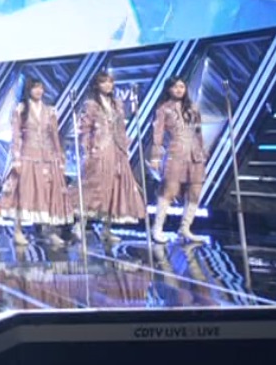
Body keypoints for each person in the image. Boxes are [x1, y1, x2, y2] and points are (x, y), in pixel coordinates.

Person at [0, 78, 73, 246]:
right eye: (35, 88)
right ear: (28, 90)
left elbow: (54, 136)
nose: (39, 91)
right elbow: (16, 135)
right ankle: (18, 231)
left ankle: (49, 231)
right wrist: (16, 157)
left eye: (41, 88)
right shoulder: (21, 109)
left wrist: (60, 157)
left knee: (48, 194)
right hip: (27, 156)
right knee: (24, 193)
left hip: (47, 157)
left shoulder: (49, 111)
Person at [77, 71, 146, 243]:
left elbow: (121, 126)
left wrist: (124, 145)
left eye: (110, 82)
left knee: (116, 188)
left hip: (117, 149)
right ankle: (80, 225)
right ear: (96, 85)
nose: (108, 85)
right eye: (104, 82)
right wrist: (89, 148)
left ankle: (106, 229)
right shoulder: (91, 105)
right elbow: (84, 130)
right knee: (95, 187)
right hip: (100, 149)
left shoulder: (117, 104)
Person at [150, 77, 210, 244]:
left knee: (195, 192)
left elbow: (198, 132)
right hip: (176, 153)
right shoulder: (163, 109)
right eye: (175, 86)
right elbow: (157, 135)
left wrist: (202, 150)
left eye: (182, 86)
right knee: (169, 191)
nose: (179, 89)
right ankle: (157, 228)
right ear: (169, 89)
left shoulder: (193, 108)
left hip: (195, 153)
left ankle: (185, 228)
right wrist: (155, 156)